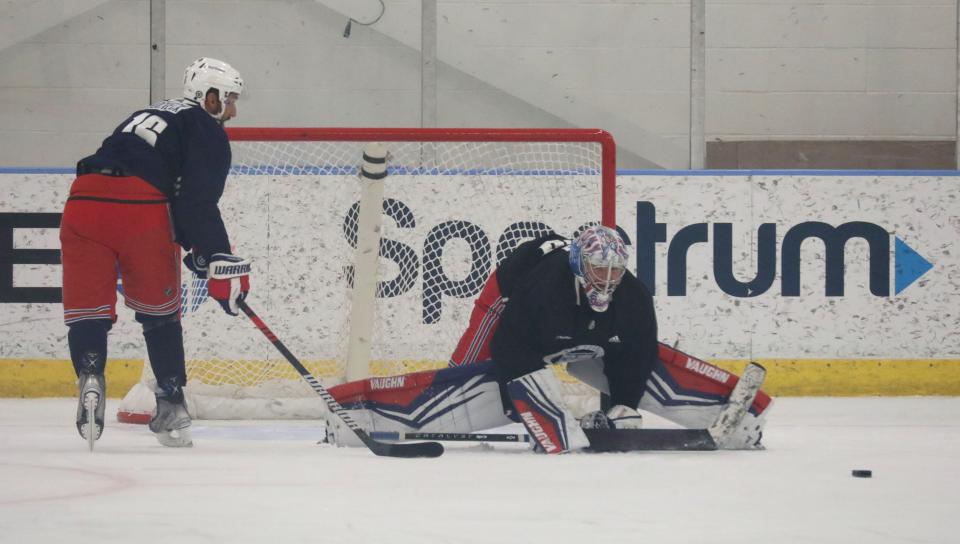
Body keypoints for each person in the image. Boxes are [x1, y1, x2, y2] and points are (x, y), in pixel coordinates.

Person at [328, 226, 662, 453]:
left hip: (560, 317)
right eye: (598, 269)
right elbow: (509, 346)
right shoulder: (542, 291)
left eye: (614, 270)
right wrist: (531, 408)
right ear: (579, 265)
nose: (607, 280)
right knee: (469, 370)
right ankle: (432, 398)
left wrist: (625, 404)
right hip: (510, 292)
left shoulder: (634, 298)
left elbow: (638, 352)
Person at [60, 57, 251, 449]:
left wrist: (199, 252)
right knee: (159, 316)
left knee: (89, 310)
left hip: (82, 201)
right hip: (140, 209)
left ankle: (91, 375)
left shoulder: (146, 111)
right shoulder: (206, 128)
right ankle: (171, 407)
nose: (232, 110)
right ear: (207, 95)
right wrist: (216, 256)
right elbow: (195, 202)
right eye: (228, 99)